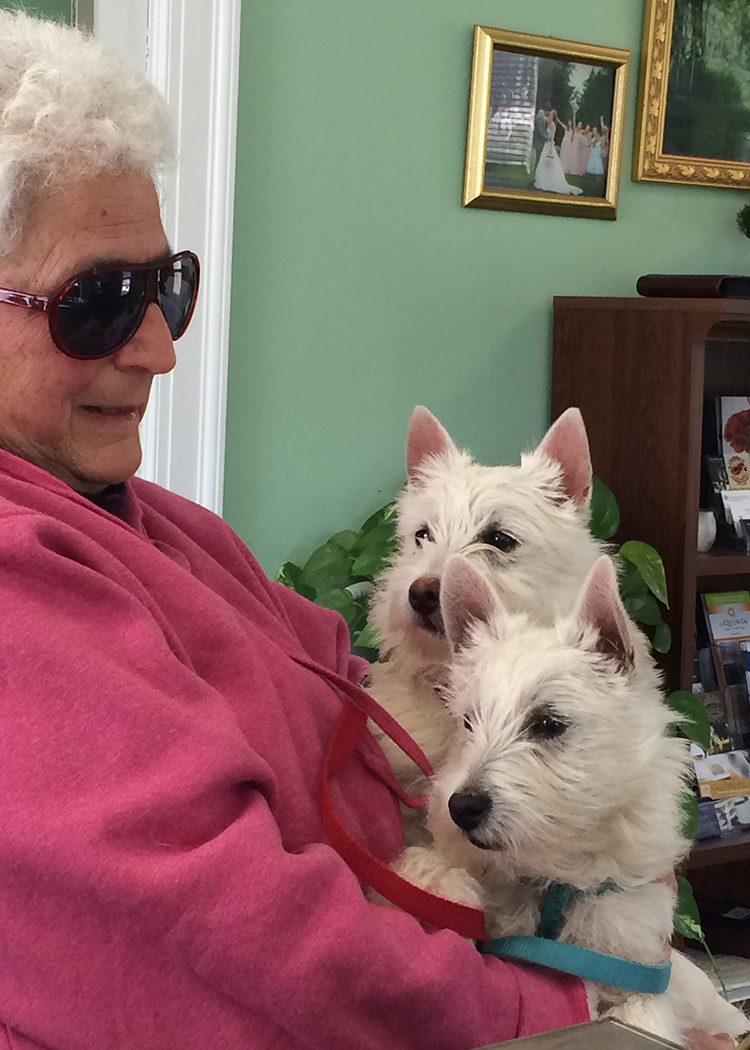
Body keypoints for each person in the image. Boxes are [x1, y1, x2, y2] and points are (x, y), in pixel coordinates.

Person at [0, 13, 733, 1050]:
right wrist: (585, 1006)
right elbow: (234, 951)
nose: (159, 349)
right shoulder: (19, 584)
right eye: (100, 299)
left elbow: (346, 685)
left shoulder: (153, 524)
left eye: (169, 286)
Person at [533, 108, 583, 196]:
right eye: (549, 115)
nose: (549, 116)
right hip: (546, 144)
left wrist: (550, 145)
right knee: (543, 163)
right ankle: (544, 179)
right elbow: (541, 118)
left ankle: (550, 180)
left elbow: (552, 137)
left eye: (551, 115)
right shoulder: (548, 123)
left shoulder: (552, 124)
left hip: (549, 145)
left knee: (549, 163)